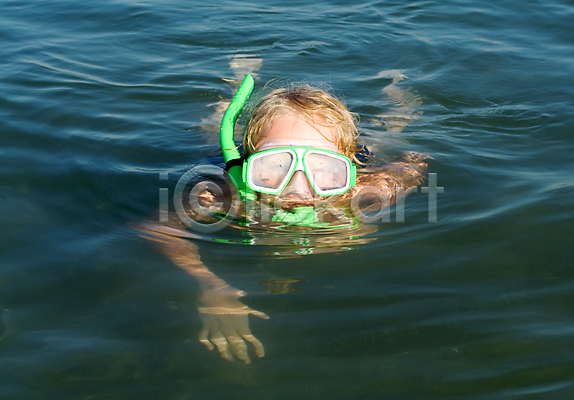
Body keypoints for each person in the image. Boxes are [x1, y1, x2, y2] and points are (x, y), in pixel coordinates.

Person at [136, 74, 428, 364]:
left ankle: (395, 89)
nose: (298, 188)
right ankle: (235, 77)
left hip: (362, 158)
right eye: (274, 165)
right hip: (224, 157)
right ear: (247, 164)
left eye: (323, 166)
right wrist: (211, 285)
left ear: (348, 171)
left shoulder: (367, 188)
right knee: (212, 130)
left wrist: (360, 221)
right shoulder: (223, 194)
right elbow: (157, 230)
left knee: (391, 132)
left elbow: (414, 166)